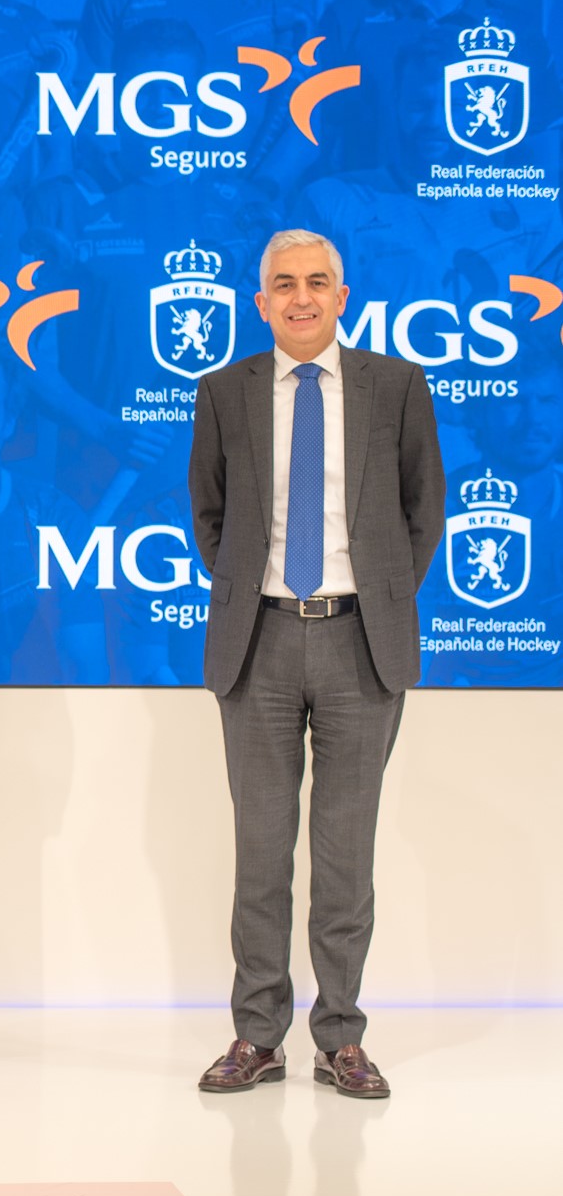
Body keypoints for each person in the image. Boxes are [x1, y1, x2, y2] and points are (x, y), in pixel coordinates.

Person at [188, 230, 445, 1098]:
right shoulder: (223, 391)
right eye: (283, 283)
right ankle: (256, 1035)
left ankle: (340, 1036)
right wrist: (252, 594)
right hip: (256, 643)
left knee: (344, 855)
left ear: (342, 296)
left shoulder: (396, 386)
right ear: (260, 302)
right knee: (260, 854)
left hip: (358, 643)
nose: (300, 296)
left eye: (316, 281)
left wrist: (376, 597)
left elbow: (422, 510)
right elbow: (209, 515)